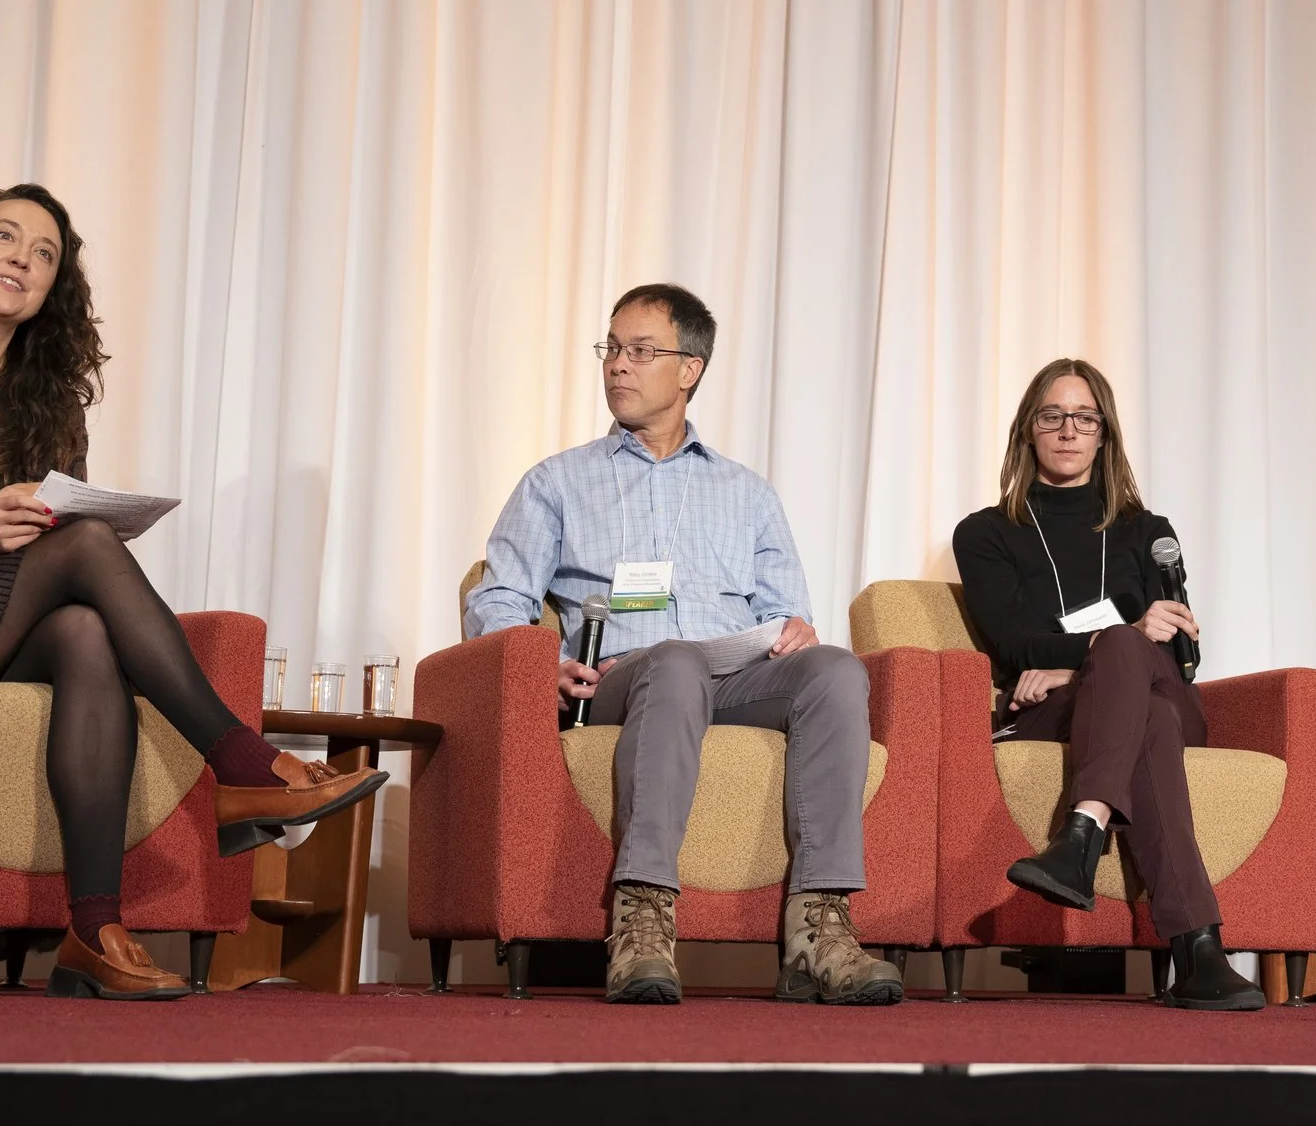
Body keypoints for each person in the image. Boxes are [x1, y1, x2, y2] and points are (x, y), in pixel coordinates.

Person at [0, 185, 383, 999]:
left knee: (85, 632)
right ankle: (240, 759)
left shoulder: (50, 401)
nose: (22, 259)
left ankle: (94, 929)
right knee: (85, 548)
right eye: (4, 237)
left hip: (3, 630)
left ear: (53, 290)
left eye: (44, 255)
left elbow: (51, 542)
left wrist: (42, 535)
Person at [466, 284, 903, 1007]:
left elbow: (786, 608)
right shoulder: (558, 481)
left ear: (690, 368)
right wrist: (537, 662)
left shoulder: (748, 493)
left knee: (832, 669)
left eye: (640, 351)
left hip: (732, 676)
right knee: (672, 658)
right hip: (619, 681)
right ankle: (640, 922)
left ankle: (819, 932)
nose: (617, 365)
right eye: (611, 348)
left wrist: (796, 629)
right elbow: (499, 596)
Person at [950, 359, 1265, 1012]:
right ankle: (1199, 947)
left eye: (1085, 417)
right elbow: (1013, 643)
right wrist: (1104, 651)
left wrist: (1090, 656)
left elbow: (1182, 650)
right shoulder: (984, 533)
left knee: (1137, 664)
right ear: (1027, 431)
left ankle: (1080, 835)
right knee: (1141, 696)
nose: (1069, 429)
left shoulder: (1149, 532)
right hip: (1052, 709)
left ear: (1105, 434)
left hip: (1157, 692)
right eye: (1052, 415)